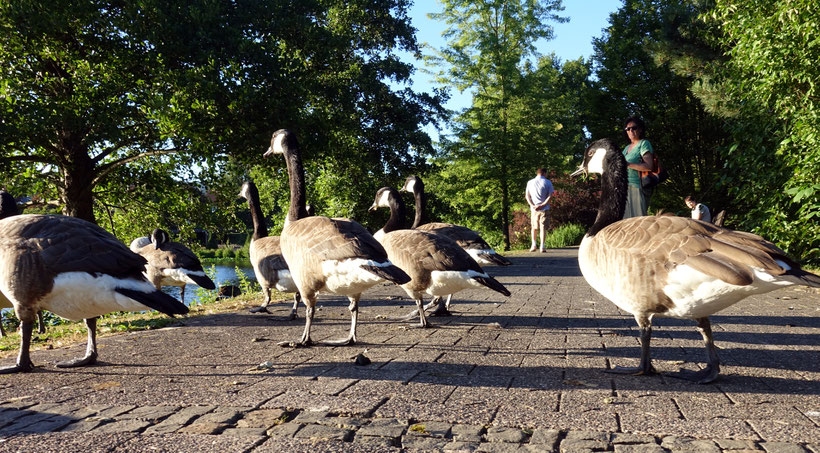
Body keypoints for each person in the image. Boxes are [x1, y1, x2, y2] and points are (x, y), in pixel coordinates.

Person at [621, 116, 656, 218]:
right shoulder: (626, 148)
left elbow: (649, 166)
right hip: (625, 188)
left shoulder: (644, 144)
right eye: (628, 129)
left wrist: (628, 164)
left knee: (638, 221)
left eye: (634, 128)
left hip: (638, 187)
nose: (631, 130)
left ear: (640, 130)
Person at [525, 168, 554, 253]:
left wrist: (532, 205)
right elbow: (550, 196)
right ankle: (542, 246)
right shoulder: (548, 182)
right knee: (543, 228)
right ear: (544, 173)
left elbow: (527, 196)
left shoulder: (530, 182)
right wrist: (543, 204)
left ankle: (533, 245)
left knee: (534, 227)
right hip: (544, 209)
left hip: (534, 209)